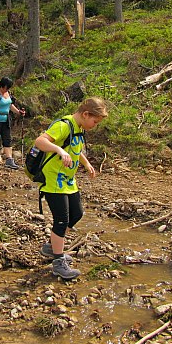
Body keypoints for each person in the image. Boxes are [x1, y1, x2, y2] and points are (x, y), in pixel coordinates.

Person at [34, 97, 108, 280]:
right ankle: (58, 262)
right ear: (85, 114)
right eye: (95, 121)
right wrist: (59, 150)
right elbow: (40, 141)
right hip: (53, 180)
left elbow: (75, 149)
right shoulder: (64, 125)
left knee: (77, 213)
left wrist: (86, 163)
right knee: (61, 219)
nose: (95, 125)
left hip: (67, 180)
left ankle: (52, 246)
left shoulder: (79, 128)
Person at [0, 77, 25, 169]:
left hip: (5, 119)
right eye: (6, 88)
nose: (6, 90)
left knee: (7, 139)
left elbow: (10, 105)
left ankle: (9, 160)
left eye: (8, 88)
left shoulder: (8, 93)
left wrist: (19, 112)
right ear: (2, 85)